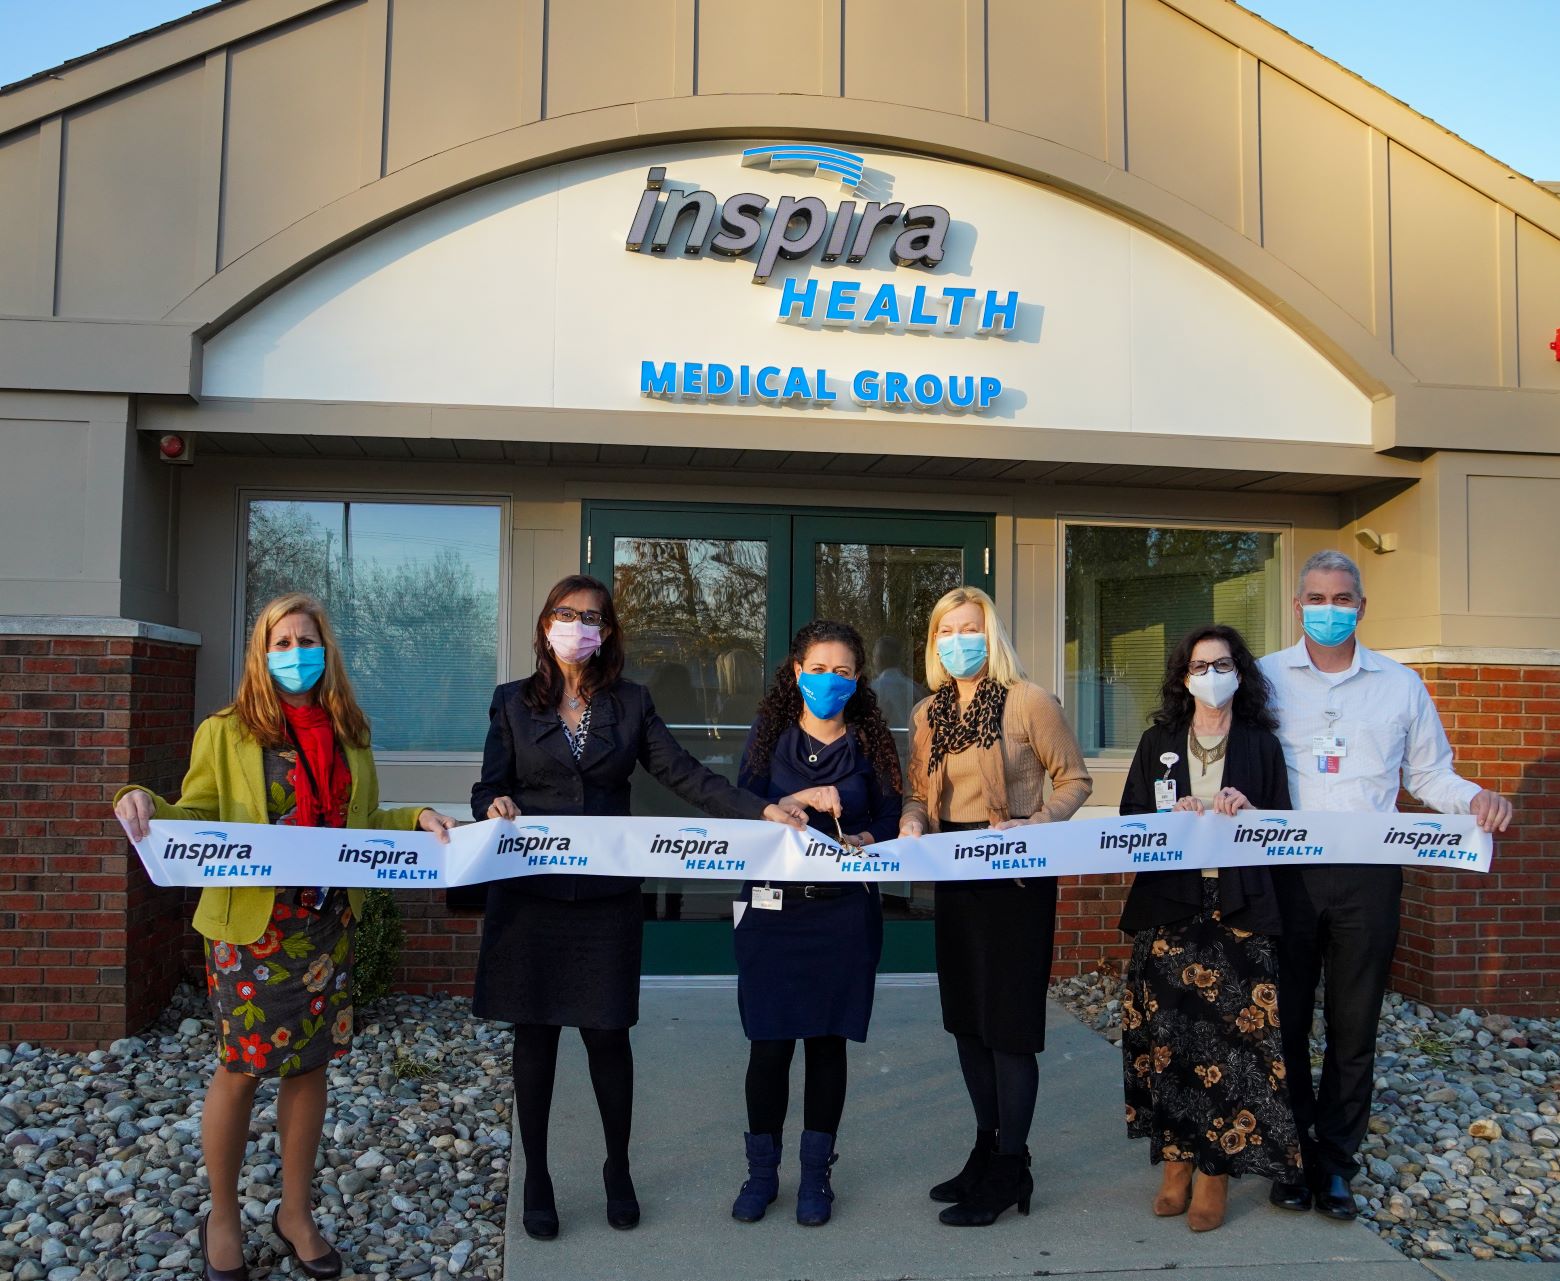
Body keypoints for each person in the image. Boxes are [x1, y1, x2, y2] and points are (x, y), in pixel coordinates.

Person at [113, 592, 457, 1281]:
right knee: (240, 1069)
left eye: (307, 638)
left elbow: (360, 822)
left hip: (324, 928)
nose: (295, 651)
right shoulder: (228, 729)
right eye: (281, 640)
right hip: (251, 930)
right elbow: (198, 811)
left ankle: (294, 1212)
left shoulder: (349, 730)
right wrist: (143, 799)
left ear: (325, 649)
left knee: (309, 1068)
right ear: (261, 653)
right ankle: (224, 1213)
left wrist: (416, 814)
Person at [470, 574, 805, 1241]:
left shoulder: (631, 703)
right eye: (565, 613)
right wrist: (491, 806)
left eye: (591, 616)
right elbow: (489, 785)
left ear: (607, 632)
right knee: (534, 1039)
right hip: (529, 898)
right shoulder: (511, 702)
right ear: (544, 624)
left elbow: (686, 774)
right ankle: (536, 1174)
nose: (578, 625)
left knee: (606, 1036)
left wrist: (763, 808)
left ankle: (616, 1167)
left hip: (604, 901)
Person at [1260, 550, 1513, 1220]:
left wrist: (1476, 799)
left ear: (1362, 606)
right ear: (1296, 605)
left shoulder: (1400, 686)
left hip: (1368, 877)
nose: (1330, 609)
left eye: (1343, 598)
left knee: (1354, 1024)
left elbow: (1431, 776)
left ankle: (1337, 1162)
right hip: (1283, 875)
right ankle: (1291, 1155)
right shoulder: (1263, 680)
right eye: (1317, 597)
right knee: (1280, 1019)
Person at [899, 586, 1093, 1227]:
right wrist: (911, 824)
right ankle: (987, 1150)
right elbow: (918, 793)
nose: (959, 641)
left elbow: (1075, 779)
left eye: (969, 628)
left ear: (993, 633)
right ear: (934, 643)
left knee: (1008, 1027)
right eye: (945, 631)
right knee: (967, 1022)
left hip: (1013, 875)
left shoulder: (1030, 701)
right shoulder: (927, 713)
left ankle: (1012, 1167)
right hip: (954, 874)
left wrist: (1037, 825)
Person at [1117, 624, 1302, 1232]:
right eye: (1199, 665)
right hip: (1170, 906)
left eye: (1222, 664)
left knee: (1229, 1044)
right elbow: (1130, 820)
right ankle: (1175, 1164)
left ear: (1240, 673)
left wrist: (1248, 811)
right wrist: (1172, 816)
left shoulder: (1260, 744)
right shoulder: (1157, 740)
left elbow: (1282, 825)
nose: (1210, 674)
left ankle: (1216, 1172)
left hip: (1238, 908)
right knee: (1168, 1038)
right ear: (1182, 675)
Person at [731, 620, 903, 1227]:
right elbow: (741, 809)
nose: (830, 680)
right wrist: (800, 801)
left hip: (842, 917)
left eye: (844, 671)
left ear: (858, 681)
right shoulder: (766, 740)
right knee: (769, 1047)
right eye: (819, 668)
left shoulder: (873, 747)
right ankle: (760, 1176)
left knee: (827, 1046)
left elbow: (889, 822)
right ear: (796, 672)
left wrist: (864, 836)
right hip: (773, 914)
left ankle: (814, 1180)